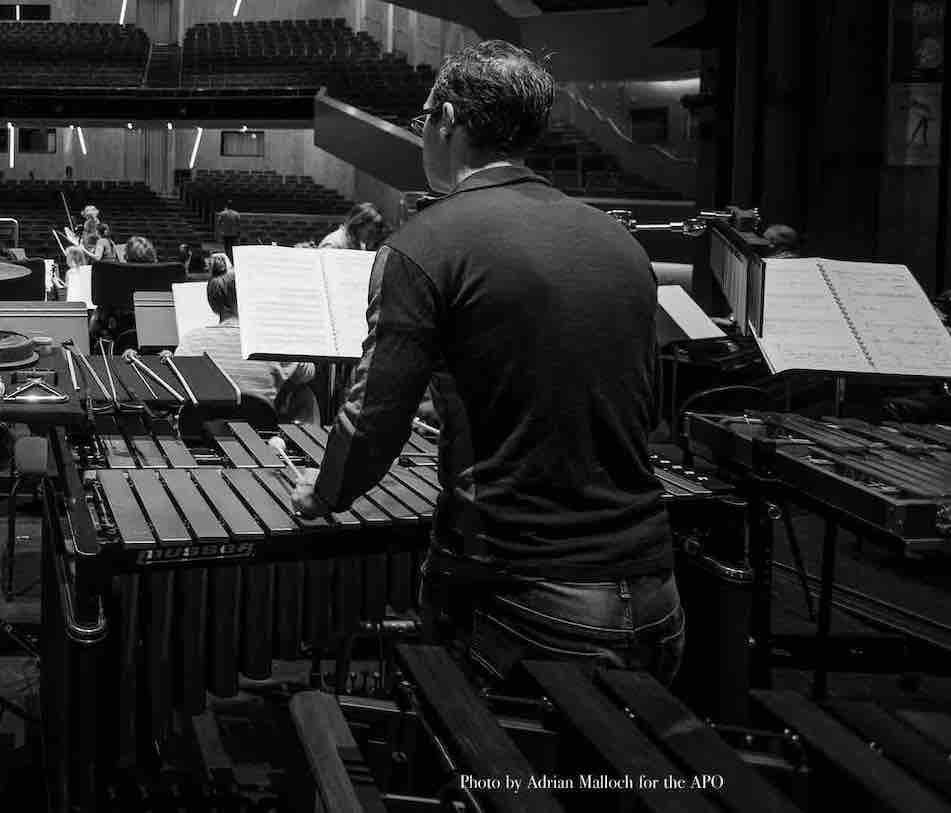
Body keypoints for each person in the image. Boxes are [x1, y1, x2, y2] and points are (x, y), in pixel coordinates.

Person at [291, 40, 682, 691]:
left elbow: (374, 418)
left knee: (487, 779)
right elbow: (638, 403)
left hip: (525, 595)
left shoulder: (423, 243)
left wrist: (326, 490)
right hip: (656, 593)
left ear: (446, 115)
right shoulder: (620, 241)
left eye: (422, 120)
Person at [175, 272, 318, 422]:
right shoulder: (271, 339)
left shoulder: (190, 340)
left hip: (200, 434)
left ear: (213, 303)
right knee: (305, 393)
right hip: (260, 435)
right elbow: (307, 374)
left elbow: (177, 386)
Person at [319, 203, 390, 252]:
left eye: (375, 233)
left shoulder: (360, 245)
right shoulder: (333, 244)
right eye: (370, 232)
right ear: (358, 225)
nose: (372, 237)